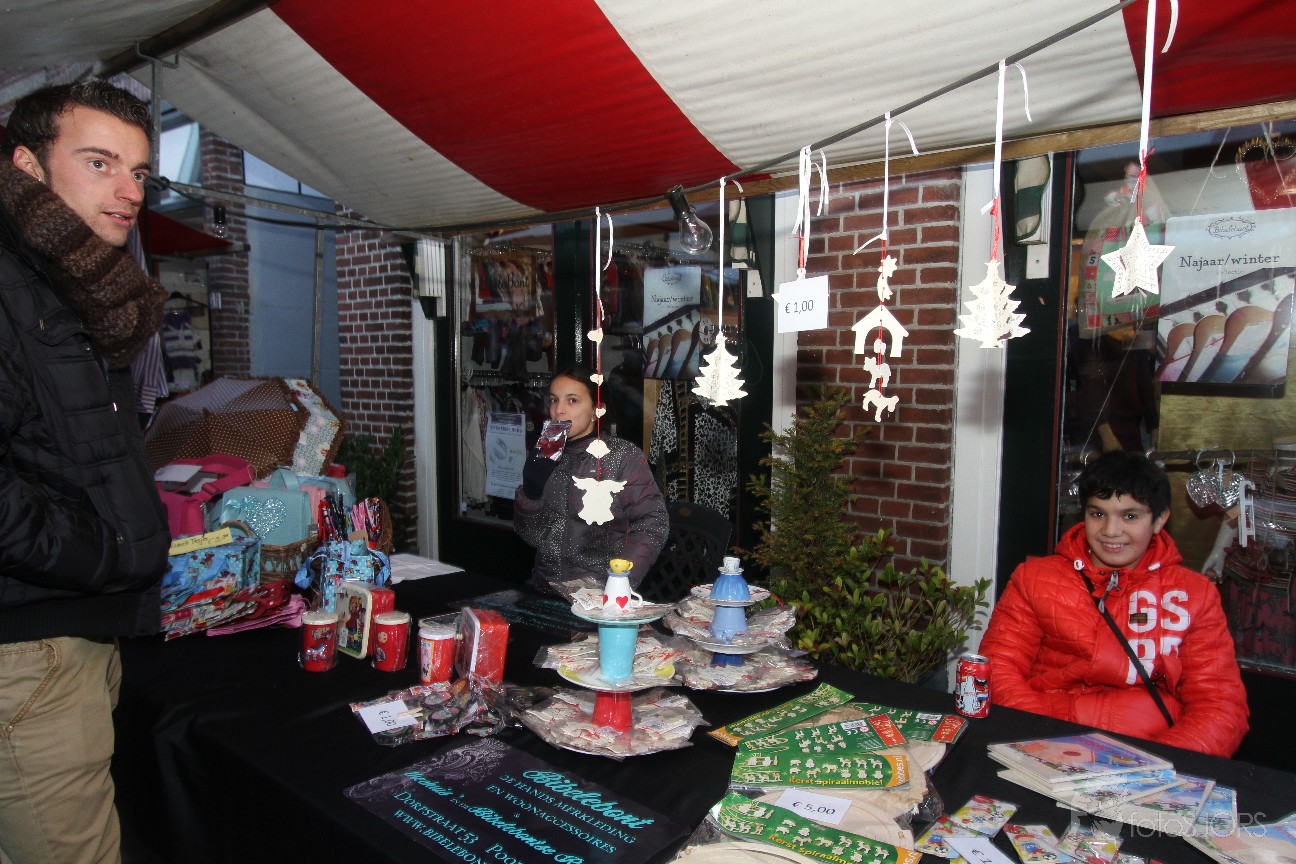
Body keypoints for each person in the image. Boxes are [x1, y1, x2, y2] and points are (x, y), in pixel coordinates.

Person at [0, 81, 170, 863]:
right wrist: (103, 552)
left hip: (77, 634)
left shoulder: (70, 288)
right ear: (27, 166)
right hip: (31, 645)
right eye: (100, 162)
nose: (129, 191)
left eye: (138, 172)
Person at [980, 450, 1249, 758]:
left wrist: (1153, 765)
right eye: (1098, 514)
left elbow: (1219, 705)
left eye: (1130, 516)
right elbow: (998, 669)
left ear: (1160, 519)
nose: (1110, 531)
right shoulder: (1035, 579)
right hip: (1046, 741)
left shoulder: (1195, 595)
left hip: (1149, 753)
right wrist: (1042, 744)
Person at [514, 366, 668, 593]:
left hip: (598, 593)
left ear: (597, 410)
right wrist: (531, 494)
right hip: (545, 589)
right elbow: (534, 537)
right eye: (554, 400)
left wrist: (618, 582)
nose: (558, 410)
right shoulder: (547, 453)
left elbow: (653, 524)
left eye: (572, 401)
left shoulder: (622, 456)